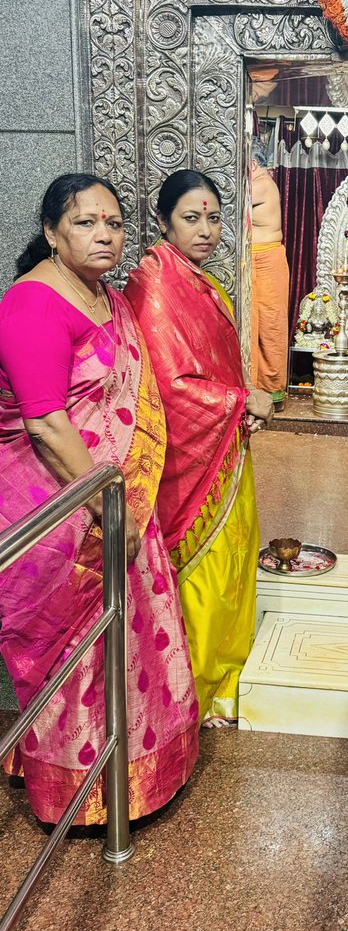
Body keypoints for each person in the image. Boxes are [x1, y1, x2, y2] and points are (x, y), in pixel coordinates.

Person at [0, 174, 200, 826]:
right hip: (55, 509)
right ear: (53, 232)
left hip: (108, 502)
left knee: (120, 638)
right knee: (70, 647)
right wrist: (105, 503)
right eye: (86, 222)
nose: (104, 234)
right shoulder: (32, 305)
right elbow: (46, 424)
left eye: (112, 222)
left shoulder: (108, 300)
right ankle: (78, 792)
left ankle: (131, 771)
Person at [125, 170, 273, 727]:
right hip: (189, 462)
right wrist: (240, 401)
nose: (206, 229)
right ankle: (198, 689)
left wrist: (238, 406)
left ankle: (227, 673)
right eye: (192, 218)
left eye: (213, 218)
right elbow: (170, 387)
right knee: (206, 566)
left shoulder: (201, 281)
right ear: (163, 221)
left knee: (234, 557)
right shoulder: (155, 286)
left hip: (223, 444)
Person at [250, 140, 290, 409]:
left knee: (270, 326)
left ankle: (273, 390)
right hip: (252, 260)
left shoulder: (261, 184)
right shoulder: (256, 180)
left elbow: (229, 204)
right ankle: (253, 387)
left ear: (251, 162)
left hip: (267, 259)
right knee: (252, 324)